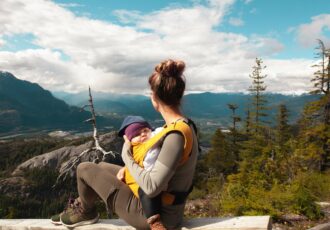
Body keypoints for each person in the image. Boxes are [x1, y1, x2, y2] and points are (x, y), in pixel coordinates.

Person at [50, 59, 199, 230]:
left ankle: (86, 211)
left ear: (154, 97)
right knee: (102, 166)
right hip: (163, 205)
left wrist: (126, 156)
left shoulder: (175, 135)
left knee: (84, 168)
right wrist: (129, 170)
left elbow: (151, 187)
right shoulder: (184, 125)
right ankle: (82, 206)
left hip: (157, 215)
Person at [116, 115, 166, 229]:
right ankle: (155, 222)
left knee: (147, 191)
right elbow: (136, 159)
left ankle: (155, 222)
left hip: (148, 182)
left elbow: (162, 131)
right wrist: (125, 168)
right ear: (131, 140)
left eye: (145, 130)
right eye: (137, 134)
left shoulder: (151, 142)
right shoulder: (135, 148)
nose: (143, 134)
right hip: (135, 181)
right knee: (145, 192)